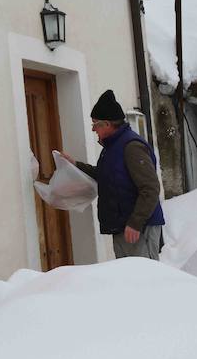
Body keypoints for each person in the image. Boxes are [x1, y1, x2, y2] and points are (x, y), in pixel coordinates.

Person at [60, 90, 165, 260]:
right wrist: (75, 165)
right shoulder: (112, 148)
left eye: (95, 124)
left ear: (107, 124)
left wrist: (135, 223)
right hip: (123, 228)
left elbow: (150, 188)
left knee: (144, 282)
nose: (93, 129)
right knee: (127, 283)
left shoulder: (131, 147)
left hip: (138, 228)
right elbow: (104, 175)